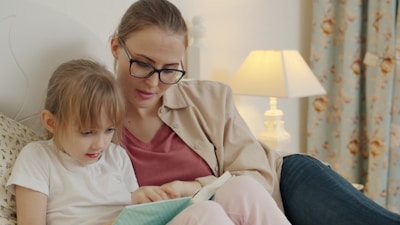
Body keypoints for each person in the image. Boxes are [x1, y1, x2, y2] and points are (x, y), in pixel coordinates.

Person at [110, 0, 400, 225]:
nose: (153, 82)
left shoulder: (210, 98)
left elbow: (257, 175)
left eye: (170, 70)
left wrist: (192, 187)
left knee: (241, 189)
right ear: (115, 47)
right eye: (143, 64)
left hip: (277, 183)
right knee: (209, 212)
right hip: (197, 217)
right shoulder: (87, 117)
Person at [6, 59, 287, 225]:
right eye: (87, 133)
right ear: (51, 122)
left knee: (236, 191)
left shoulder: (116, 156)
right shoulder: (38, 157)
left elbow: (133, 212)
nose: (100, 144)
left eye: (108, 130)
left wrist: (139, 200)